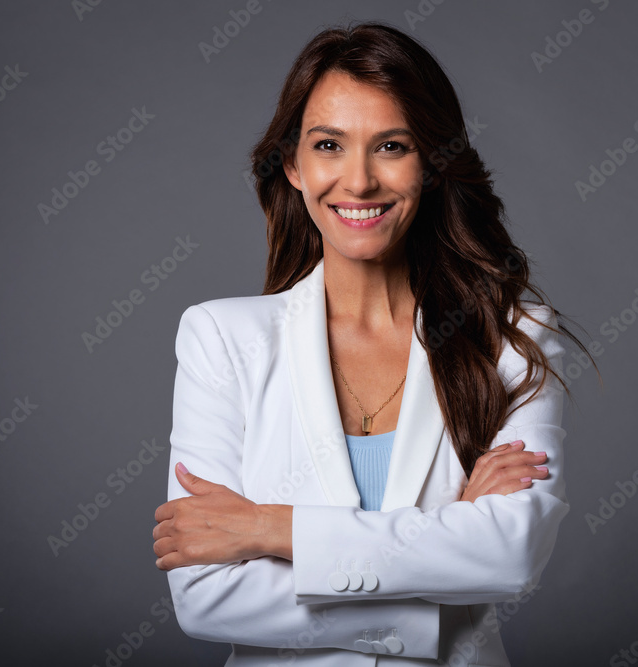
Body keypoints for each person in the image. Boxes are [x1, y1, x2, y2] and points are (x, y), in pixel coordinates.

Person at [152, 20, 592, 666]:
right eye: (329, 145)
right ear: (294, 166)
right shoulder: (222, 338)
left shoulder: (515, 332)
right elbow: (206, 594)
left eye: (391, 146)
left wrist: (272, 527)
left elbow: (510, 552)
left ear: (434, 164)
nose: (357, 182)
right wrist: (443, 560)